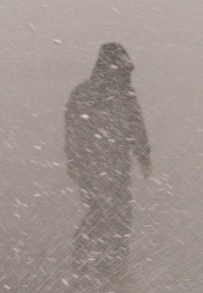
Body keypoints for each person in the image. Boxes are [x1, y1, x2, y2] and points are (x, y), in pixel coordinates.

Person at [65, 42, 152, 280]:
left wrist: (143, 156)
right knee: (101, 211)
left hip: (116, 165)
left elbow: (136, 125)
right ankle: (86, 259)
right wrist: (74, 160)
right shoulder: (84, 94)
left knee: (120, 213)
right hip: (92, 166)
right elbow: (74, 127)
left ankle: (112, 263)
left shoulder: (124, 95)